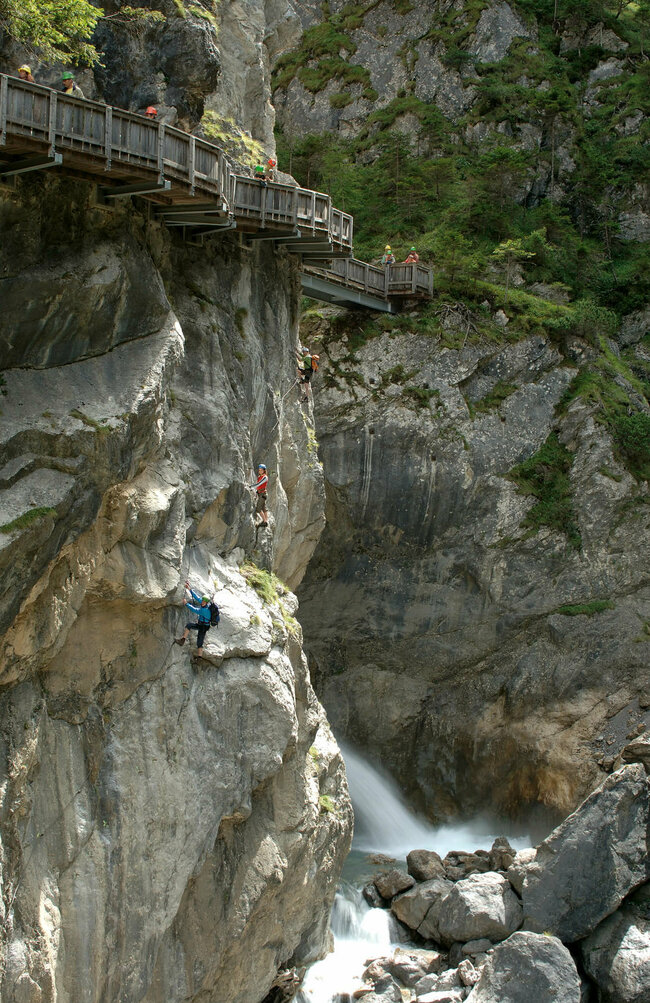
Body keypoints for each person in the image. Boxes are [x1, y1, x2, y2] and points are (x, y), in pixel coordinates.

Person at [175, 581, 213, 656]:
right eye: (202, 601)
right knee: (189, 625)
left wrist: (186, 604)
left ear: (206, 602)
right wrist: (189, 589)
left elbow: (195, 610)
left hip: (203, 627)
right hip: (201, 624)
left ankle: (199, 658)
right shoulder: (205, 603)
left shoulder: (205, 610)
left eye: (204, 602)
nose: (202, 602)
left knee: (199, 641)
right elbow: (196, 597)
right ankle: (183, 640)